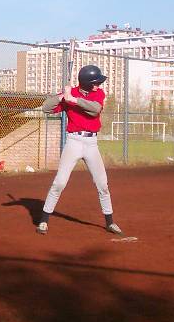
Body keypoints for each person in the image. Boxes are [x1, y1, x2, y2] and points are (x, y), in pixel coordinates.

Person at [37, 65, 122, 236]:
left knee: (102, 184)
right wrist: (63, 96)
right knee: (59, 182)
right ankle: (44, 220)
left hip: (91, 143)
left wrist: (73, 100)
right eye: (95, 83)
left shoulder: (97, 94)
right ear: (86, 83)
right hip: (74, 142)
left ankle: (110, 222)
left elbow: (94, 110)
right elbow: (46, 107)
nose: (98, 85)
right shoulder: (70, 95)